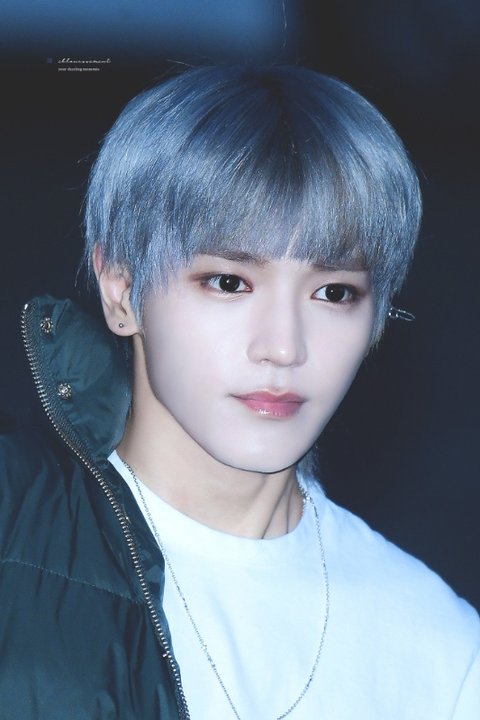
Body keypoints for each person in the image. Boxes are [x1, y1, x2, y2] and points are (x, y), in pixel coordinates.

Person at [0, 65, 478, 719]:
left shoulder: (440, 650)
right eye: (229, 282)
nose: (283, 347)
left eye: (333, 292)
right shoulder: (15, 528)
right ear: (121, 290)